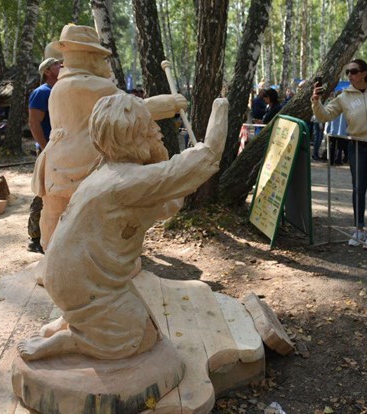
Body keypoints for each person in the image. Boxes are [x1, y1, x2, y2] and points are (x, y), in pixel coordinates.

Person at [18, 94, 229, 361]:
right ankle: (71, 340)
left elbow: (166, 202)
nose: (158, 133)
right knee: (140, 338)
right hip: (81, 283)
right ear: (136, 137)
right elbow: (206, 158)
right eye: (152, 129)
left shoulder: (107, 166)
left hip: (68, 276)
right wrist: (220, 107)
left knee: (140, 318)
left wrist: (167, 108)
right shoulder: (129, 181)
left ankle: (75, 319)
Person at [33, 24, 187, 251]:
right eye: (100, 58)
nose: (105, 64)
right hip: (85, 164)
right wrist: (171, 104)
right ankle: (94, 264)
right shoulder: (92, 85)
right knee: (99, 217)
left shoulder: (59, 87)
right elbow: (130, 108)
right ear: (88, 57)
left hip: (54, 166)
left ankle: (53, 259)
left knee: (54, 216)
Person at [311, 59, 367, 249]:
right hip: (357, 145)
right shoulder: (344, 96)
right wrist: (316, 102)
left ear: (364, 73)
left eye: (353, 71)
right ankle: (358, 229)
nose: (349, 75)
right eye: (347, 72)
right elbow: (324, 115)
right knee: (358, 188)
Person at [26, 57, 62, 254]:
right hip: (49, 148)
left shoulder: (62, 91)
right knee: (44, 190)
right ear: (48, 71)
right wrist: (46, 147)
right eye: (57, 64)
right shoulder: (41, 93)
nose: (61, 66)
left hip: (63, 148)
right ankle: (35, 236)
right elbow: (34, 123)